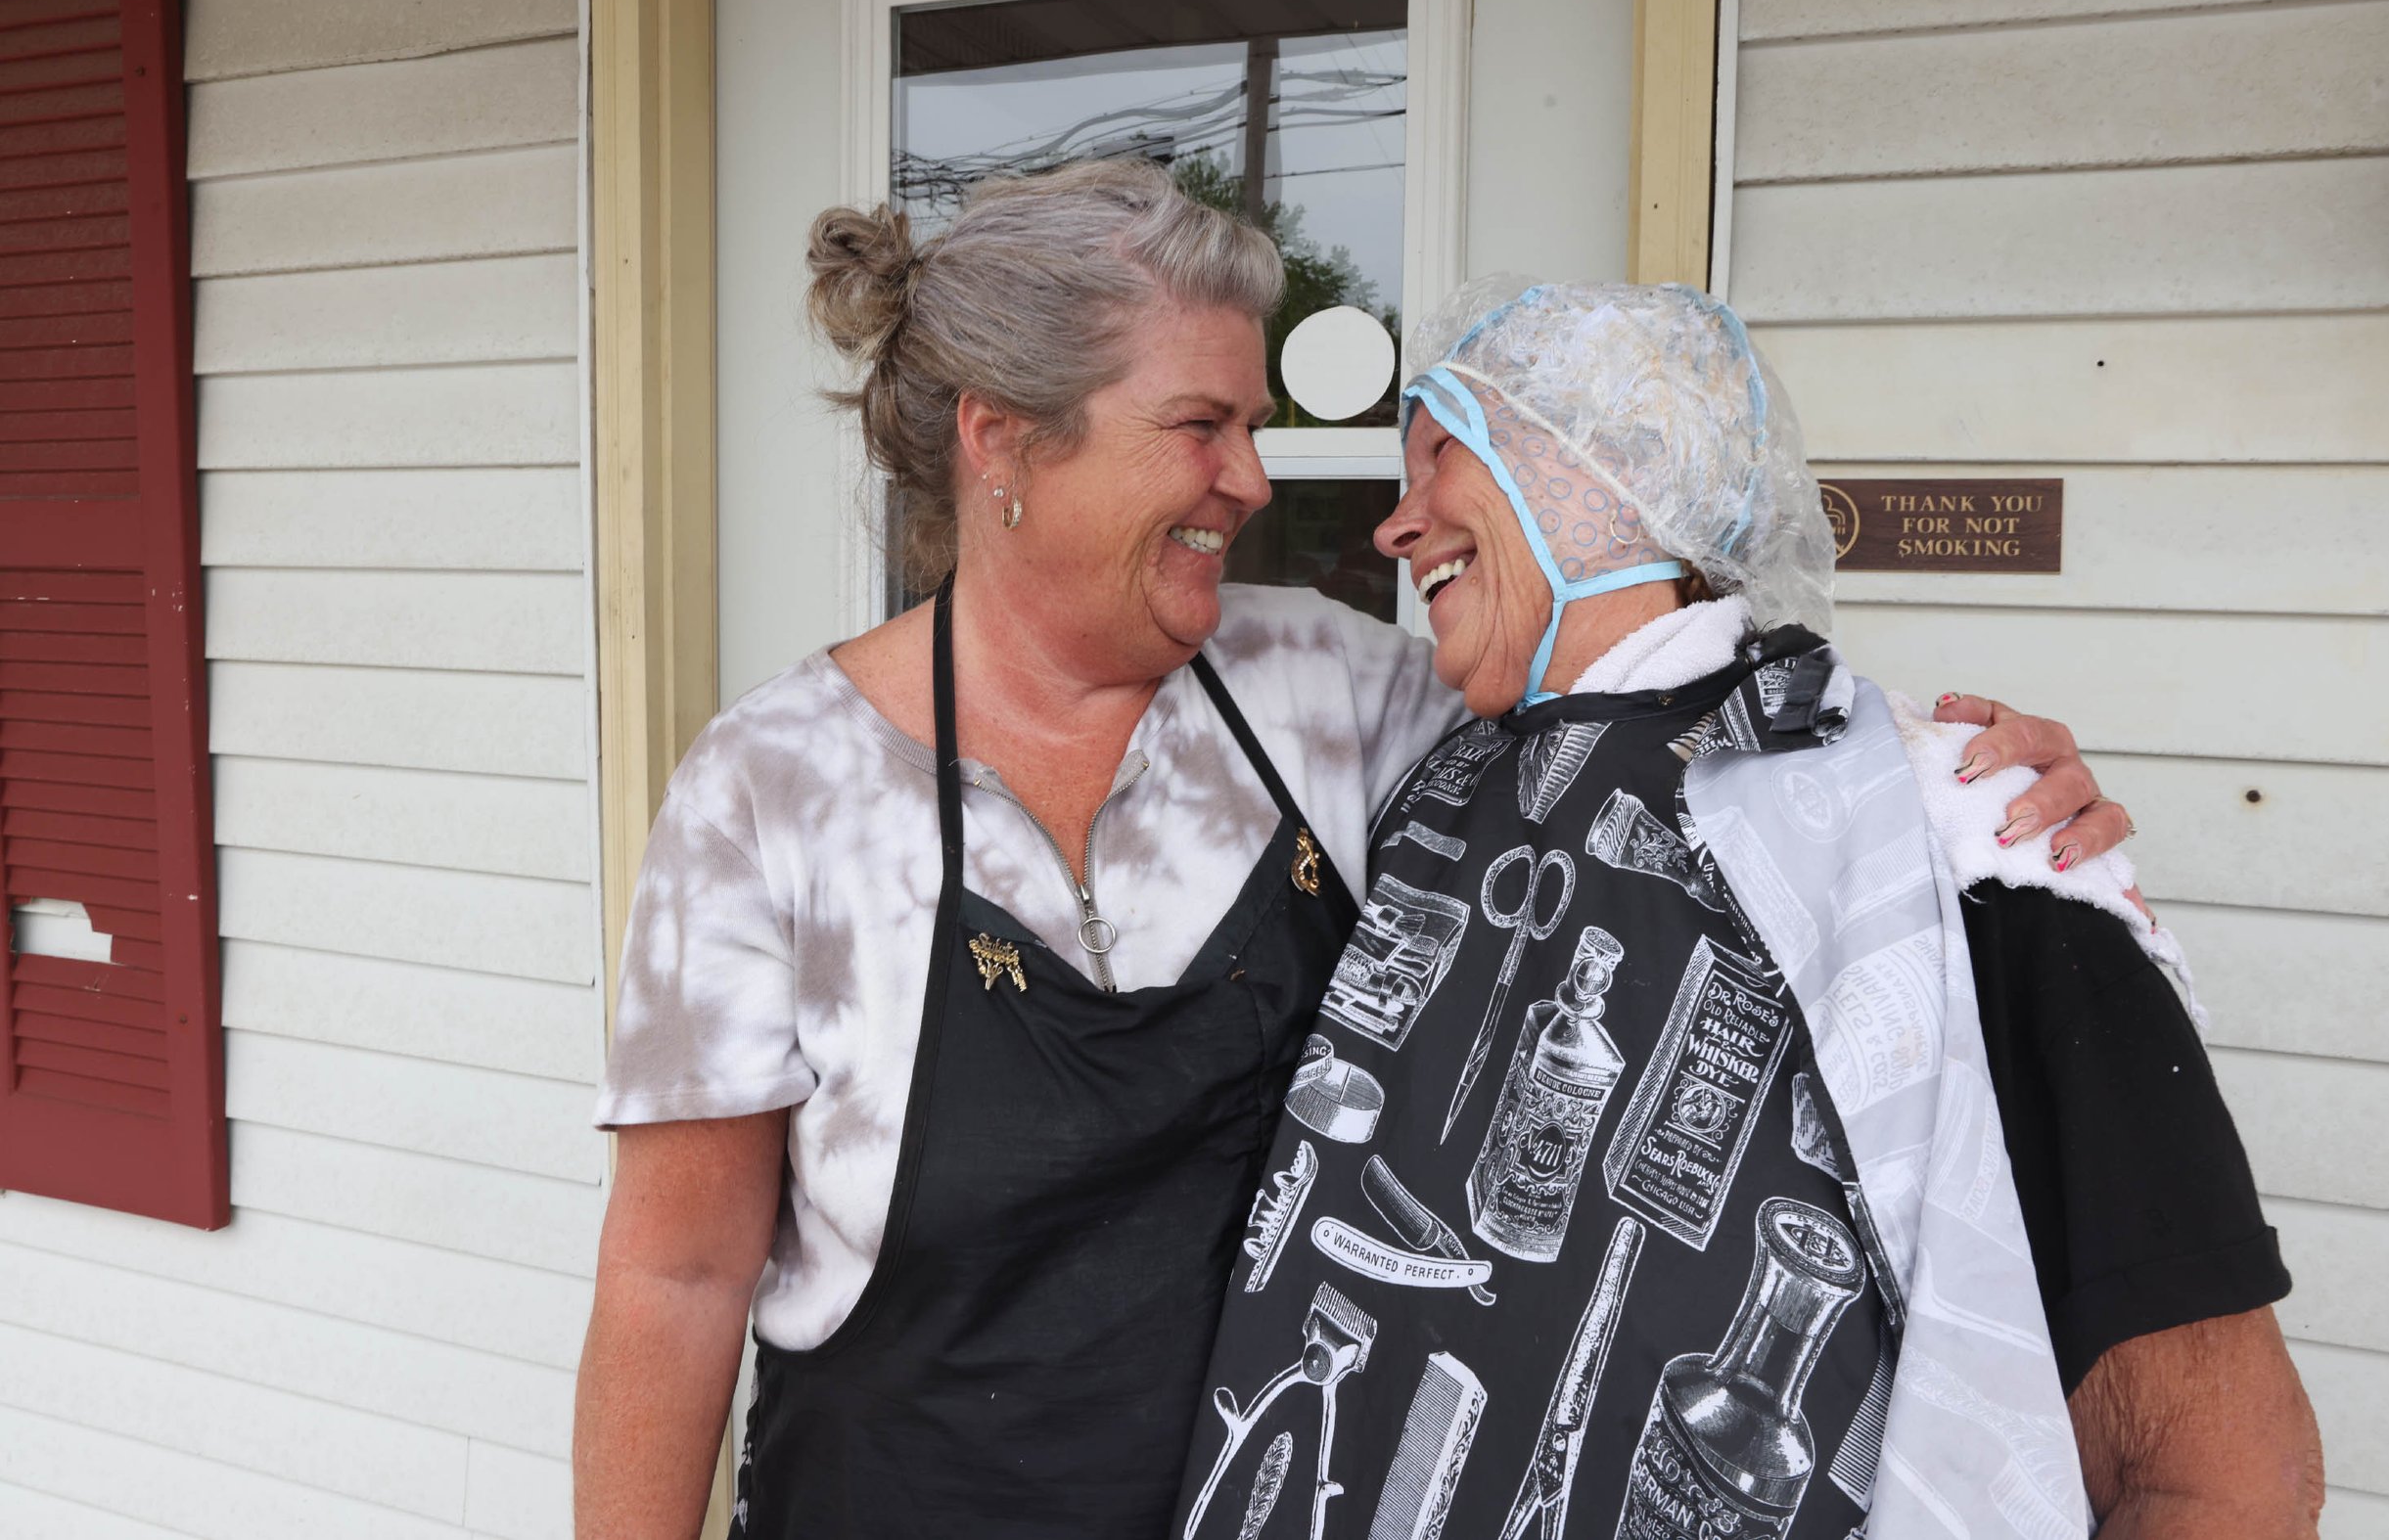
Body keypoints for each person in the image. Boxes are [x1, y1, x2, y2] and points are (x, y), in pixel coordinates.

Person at [570, 161, 2138, 1539]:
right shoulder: (771, 792)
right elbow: (675, 1280)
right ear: (1003, 443)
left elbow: (1642, 703)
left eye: (1253, 426)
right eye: (1201, 425)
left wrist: (1934, 781)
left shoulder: (1327, 691)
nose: (1253, 481)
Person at [1174, 281, 2319, 1540]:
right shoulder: (1429, 792)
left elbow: (2217, 1477)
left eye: (1445, 453)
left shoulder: (1947, 834)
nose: (1394, 526)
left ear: (1613, 465)